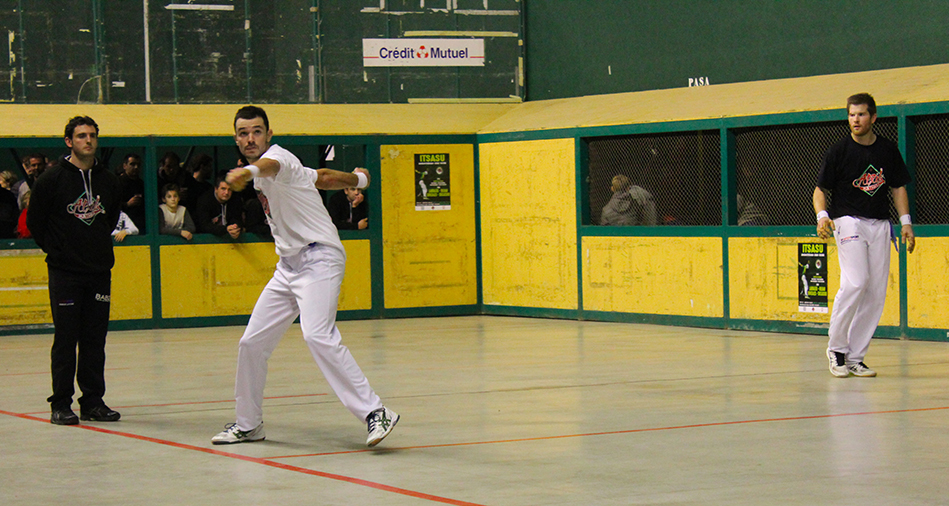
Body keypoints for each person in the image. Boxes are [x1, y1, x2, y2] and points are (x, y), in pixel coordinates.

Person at [212, 105, 398, 447]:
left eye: (256, 131)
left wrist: (249, 171)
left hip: (320, 257)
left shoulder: (278, 159)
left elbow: (270, 166)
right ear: (235, 139)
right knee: (252, 343)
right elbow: (323, 177)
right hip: (288, 266)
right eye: (242, 133)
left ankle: (375, 411)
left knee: (317, 335)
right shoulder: (293, 168)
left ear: (269, 134)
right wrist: (360, 180)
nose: (250, 137)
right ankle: (248, 423)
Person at [27, 116, 122, 425]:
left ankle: (93, 400)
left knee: (95, 338)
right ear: (69, 141)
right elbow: (35, 223)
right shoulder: (51, 180)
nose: (88, 141)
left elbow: (111, 217)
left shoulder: (107, 180)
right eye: (81, 136)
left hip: (98, 271)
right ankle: (61, 403)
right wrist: (58, 251)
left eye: (92, 135)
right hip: (65, 273)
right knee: (66, 338)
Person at [813, 92, 915, 378]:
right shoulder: (838, 151)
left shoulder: (887, 150)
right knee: (856, 282)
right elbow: (820, 190)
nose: (855, 120)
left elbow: (898, 188)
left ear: (873, 117)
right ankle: (836, 349)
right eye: (851, 114)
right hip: (848, 222)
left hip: (880, 225)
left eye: (860, 114)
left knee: (875, 293)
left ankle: (855, 356)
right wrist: (822, 216)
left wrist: (905, 223)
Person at [117, 154, 146, 232]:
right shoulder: (117, 183)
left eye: (138, 165)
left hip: (141, 224)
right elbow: (111, 205)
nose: (136, 167)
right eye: (132, 164)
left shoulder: (142, 184)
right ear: (125, 166)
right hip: (122, 225)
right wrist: (127, 204)